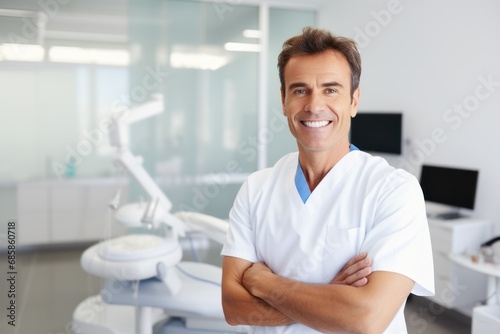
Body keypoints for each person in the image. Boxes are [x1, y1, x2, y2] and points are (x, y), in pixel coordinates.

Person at [220, 27, 434, 333]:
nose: (314, 105)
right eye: (300, 90)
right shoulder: (256, 189)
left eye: (330, 89)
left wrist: (266, 283)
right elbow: (233, 307)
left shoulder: (394, 191)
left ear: (354, 101)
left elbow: (366, 319)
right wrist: (331, 296)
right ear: (284, 100)